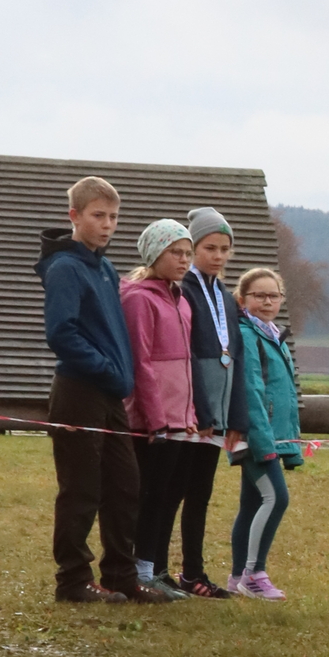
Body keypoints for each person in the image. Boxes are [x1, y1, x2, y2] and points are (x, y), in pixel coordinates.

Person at [35, 175, 144, 604]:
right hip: (79, 390)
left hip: (110, 394)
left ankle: (121, 575)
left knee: (124, 485)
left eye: (114, 217)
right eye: (99, 216)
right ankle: (73, 580)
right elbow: (62, 334)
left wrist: (121, 375)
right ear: (74, 216)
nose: (108, 225)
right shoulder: (65, 268)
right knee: (81, 489)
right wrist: (106, 369)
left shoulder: (105, 267)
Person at [122, 221, 199, 599]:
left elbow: (185, 365)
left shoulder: (181, 299)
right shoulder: (139, 299)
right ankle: (137, 570)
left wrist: (190, 414)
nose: (184, 260)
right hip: (152, 422)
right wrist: (156, 419)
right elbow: (141, 361)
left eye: (188, 253)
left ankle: (153, 569)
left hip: (179, 419)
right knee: (148, 495)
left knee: (168, 495)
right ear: (154, 254)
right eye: (175, 253)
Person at [228, 263, 304, 596]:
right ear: (242, 299)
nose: (267, 302)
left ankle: (236, 577)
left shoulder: (275, 336)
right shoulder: (247, 335)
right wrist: (264, 442)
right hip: (256, 438)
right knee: (277, 498)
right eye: (259, 296)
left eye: (274, 296)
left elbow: (283, 393)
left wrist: (290, 443)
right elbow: (251, 392)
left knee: (250, 504)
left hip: (273, 436)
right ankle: (253, 574)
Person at [178, 208, 237, 597]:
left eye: (224, 249)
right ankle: (152, 567)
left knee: (200, 494)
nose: (218, 256)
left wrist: (232, 415)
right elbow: (186, 355)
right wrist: (201, 409)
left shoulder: (226, 297)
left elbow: (234, 355)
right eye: (209, 248)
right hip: (192, 412)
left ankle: (193, 572)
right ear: (194, 248)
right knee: (171, 493)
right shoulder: (184, 291)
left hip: (218, 412)